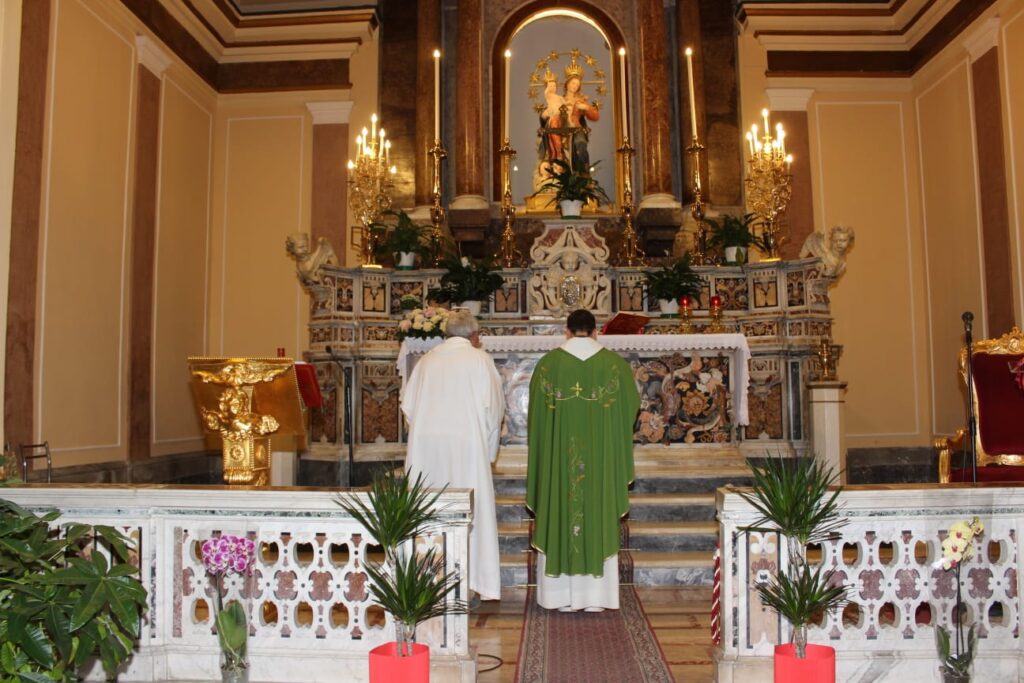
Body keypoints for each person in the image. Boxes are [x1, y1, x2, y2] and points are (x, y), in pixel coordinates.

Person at [526, 309, 640, 611]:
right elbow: (630, 409)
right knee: (595, 506)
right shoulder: (614, 366)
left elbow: (536, 419)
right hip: (598, 464)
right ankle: (596, 598)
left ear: (567, 331)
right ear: (595, 331)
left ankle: (559, 596)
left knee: (561, 503)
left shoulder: (548, 365)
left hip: (561, 463)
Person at [401, 310, 505, 602]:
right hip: (466, 446)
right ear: (474, 336)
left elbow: (408, 407)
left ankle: (427, 578)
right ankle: (469, 583)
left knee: (429, 508)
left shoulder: (426, 361)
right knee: (470, 511)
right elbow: (494, 409)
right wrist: (488, 451)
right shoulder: (480, 359)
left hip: (427, 447)